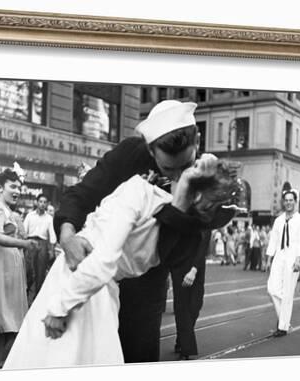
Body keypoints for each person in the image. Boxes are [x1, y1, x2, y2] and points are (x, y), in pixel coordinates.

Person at [4, 155, 242, 369]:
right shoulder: (170, 218)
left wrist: (60, 307)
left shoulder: (145, 196)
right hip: (93, 287)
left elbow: (104, 261)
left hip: (85, 284)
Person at [53, 100, 233, 363]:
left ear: (198, 142)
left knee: (138, 363)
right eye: (168, 169)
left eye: (184, 166)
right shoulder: (128, 155)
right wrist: (67, 235)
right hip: (97, 285)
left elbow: (207, 225)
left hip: (147, 288)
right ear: (150, 150)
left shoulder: (203, 172)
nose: (176, 176)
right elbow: (81, 194)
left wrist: (205, 187)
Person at [0, 169, 36, 369]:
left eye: (19, 187)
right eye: (12, 186)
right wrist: (24, 244)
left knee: (9, 327)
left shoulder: (7, 210)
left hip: (8, 271)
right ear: (0, 187)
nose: (17, 190)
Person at [265, 189, 300, 337]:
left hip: (293, 258)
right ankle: (284, 321)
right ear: (284, 202)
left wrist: (299, 260)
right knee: (272, 289)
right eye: (286, 200)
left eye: (291, 200)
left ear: (295, 201)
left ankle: (282, 327)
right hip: (279, 257)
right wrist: (268, 259)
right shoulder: (279, 220)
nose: (288, 202)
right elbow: (273, 241)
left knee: (287, 293)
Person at [171, 230, 211, 360]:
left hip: (197, 265)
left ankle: (181, 339)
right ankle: (186, 348)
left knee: (195, 305)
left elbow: (204, 244)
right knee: (181, 305)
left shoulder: (205, 215)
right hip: (179, 264)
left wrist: (194, 269)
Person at [23, 194, 57, 302]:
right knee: (28, 270)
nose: (42, 204)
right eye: (40, 201)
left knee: (40, 272)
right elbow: (24, 231)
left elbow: (52, 235)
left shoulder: (49, 218)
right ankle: (24, 296)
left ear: (47, 204)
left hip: (42, 244)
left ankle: (36, 299)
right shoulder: (30, 216)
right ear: (36, 202)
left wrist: (51, 250)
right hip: (30, 242)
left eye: (44, 202)